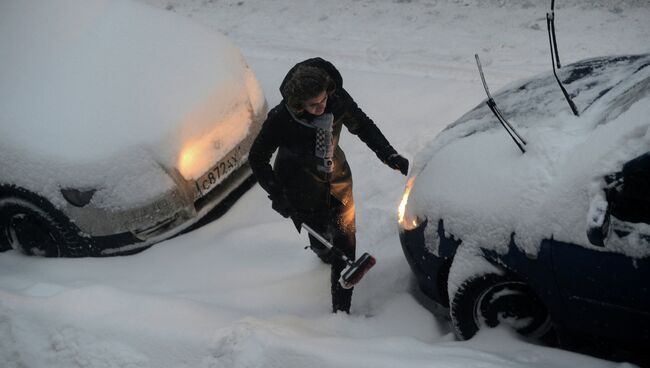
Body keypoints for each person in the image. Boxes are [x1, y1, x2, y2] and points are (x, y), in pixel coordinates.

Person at [249, 58, 409, 314]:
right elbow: (257, 158)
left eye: (323, 100)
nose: (322, 108)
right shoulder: (281, 119)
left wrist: (389, 155)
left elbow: (363, 126)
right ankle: (322, 250)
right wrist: (278, 194)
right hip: (299, 189)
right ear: (298, 104)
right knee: (322, 241)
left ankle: (341, 311)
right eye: (313, 105)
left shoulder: (336, 100)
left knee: (345, 239)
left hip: (337, 181)